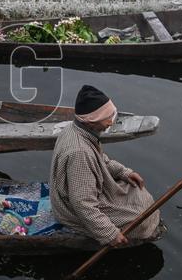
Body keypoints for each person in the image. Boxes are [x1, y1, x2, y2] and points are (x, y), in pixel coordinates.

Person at [49, 85, 160, 246]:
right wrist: (109, 234)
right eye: (107, 118)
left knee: (138, 192)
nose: (110, 122)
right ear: (92, 120)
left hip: (78, 193)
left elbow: (100, 160)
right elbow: (83, 204)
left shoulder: (75, 129)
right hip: (70, 210)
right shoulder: (79, 152)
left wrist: (124, 172)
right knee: (140, 218)